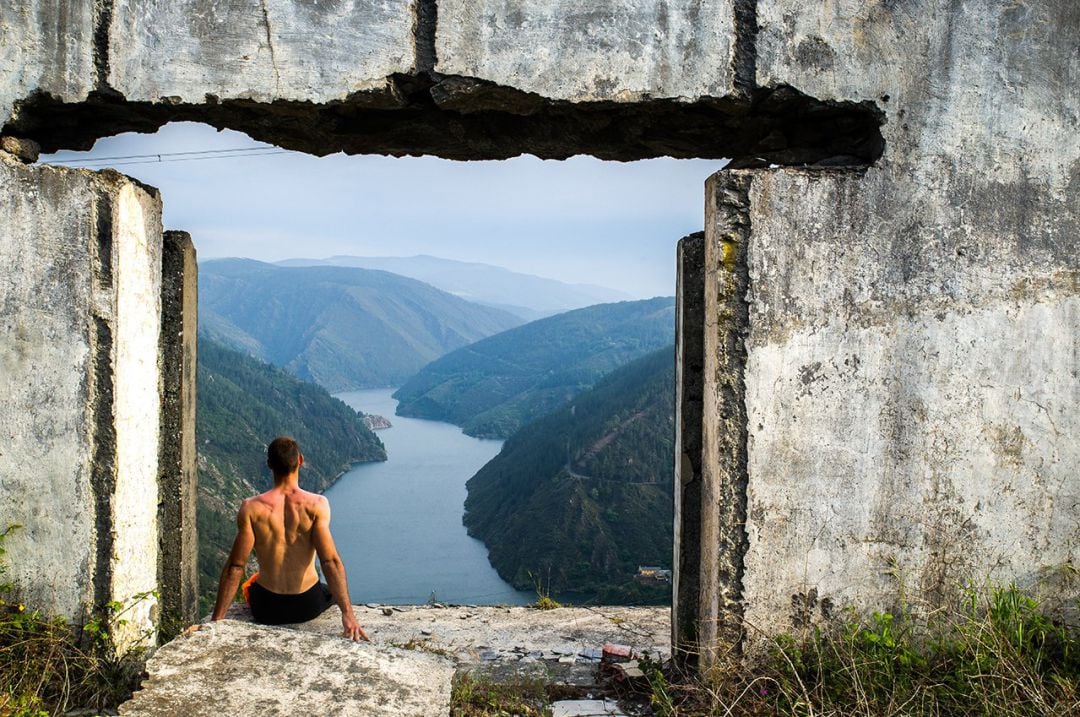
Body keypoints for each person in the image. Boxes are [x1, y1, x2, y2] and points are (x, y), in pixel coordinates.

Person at [210, 436, 369, 641]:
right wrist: (348, 614)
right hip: (307, 605)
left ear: (269, 465)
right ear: (301, 460)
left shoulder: (251, 508)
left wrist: (216, 621)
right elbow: (330, 561)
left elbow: (235, 566)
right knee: (325, 590)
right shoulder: (317, 505)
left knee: (251, 584)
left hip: (267, 609)